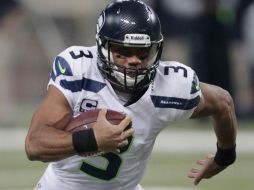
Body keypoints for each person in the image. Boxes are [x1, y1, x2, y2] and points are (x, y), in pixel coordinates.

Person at [25, 0, 237, 189]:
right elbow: (34, 144)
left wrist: (225, 156)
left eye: (143, 52)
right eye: (123, 52)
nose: (134, 60)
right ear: (102, 47)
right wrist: (92, 139)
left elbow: (222, 102)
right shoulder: (79, 69)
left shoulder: (171, 85)